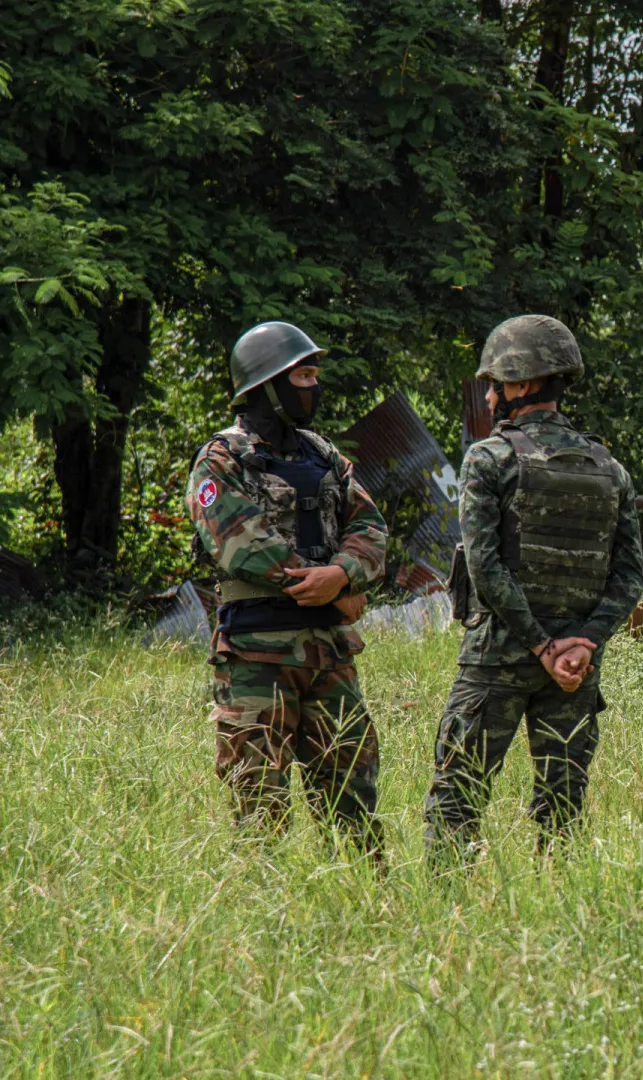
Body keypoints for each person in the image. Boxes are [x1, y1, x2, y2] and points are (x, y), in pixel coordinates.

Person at [424, 314, 643, 858]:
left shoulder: (489, 459)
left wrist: (543, 646)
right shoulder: (610, 468)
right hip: (575, 672)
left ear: (521, 384)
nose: (491, 396)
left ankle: (446, 920)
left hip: (498, 661)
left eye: (495, 384)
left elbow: (485, 568)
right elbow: (630, 578)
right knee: (562, 810)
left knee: (458, 799)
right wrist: (583, 643)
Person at [187, 320, 389, 858]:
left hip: (329, 657)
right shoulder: (220, 459)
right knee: (258, 806)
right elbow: (237, 541)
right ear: (267, 385)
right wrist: (325, 586)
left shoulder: (323, 456)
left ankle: (372, 909)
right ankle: (267, 923)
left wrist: (342, 575)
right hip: (256, 658)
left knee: (354, 801)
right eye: (303, 375)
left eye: (314, 375)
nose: (314, 387)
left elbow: (371, 528)